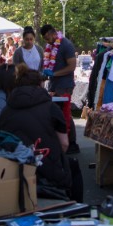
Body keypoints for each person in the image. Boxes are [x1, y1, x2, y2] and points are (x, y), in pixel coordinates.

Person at [0, 66, 83, 202]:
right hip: (49, 172)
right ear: (40, 84)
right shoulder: (51, 107)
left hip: (14, 171)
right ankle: (78, 211)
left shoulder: (6, 110)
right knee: (73, 167)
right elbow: (64, 144)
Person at [41, 24, 78, 153]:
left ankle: (69, 144)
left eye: (47, 38)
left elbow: (72, 66)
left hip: (65, 85)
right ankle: (68, 142)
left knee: (65, 113)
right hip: (54, 85)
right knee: (59, 113)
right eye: (45, 39)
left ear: (53, 33)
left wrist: (54, 74)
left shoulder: (66, 45)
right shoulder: (50, 46)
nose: (47, 41)